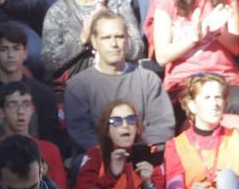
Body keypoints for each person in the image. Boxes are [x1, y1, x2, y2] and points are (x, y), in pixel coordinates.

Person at [64, 11, 176, 159]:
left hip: (143, 158)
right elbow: (81, 132)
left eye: (119, 37)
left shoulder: (148, 80)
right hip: (98, 160)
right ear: (94, 41)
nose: (114, 44)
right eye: (106, 38)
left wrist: (137, 152)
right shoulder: (78, 86)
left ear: (128, 40)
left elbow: (161, 126)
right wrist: (109, 155)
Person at [41, 0, 143, 95]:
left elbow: (137, 49)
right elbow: (49, 62)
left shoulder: (117, 3)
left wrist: (108, 40)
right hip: (74, 90)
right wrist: (81, 39)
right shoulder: (57, 12)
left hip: (117, 85)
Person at [0, 22, 65, 163]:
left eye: (16, 48)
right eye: (4, 49)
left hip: (36, 167)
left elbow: (53, 144)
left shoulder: (43, 94)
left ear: (25, 52)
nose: (10, 55)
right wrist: (2, 157)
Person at [0, 81, 69, 189]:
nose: (20, 112)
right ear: (1, 112)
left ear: (32, 109)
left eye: (26, 104)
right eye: (13, 105)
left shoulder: (50, 150)